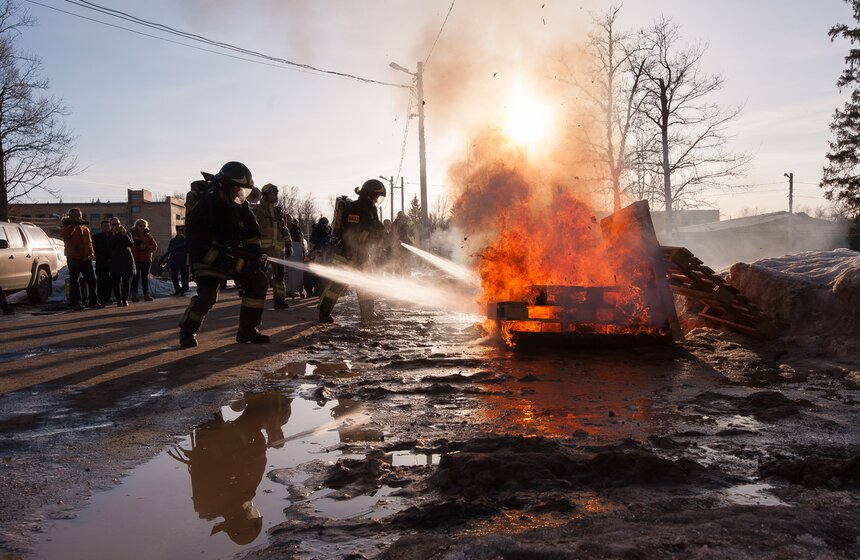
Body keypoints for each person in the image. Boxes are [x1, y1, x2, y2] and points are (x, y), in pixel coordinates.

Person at [178, 161, 270, 348]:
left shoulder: (240, 206)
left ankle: (247, 329)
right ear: (226, 186)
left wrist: (253, 252)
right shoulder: (205, 206)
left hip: (232, 254)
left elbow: (252, 232)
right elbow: (198, 245)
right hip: (207, 256)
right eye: (238, 190)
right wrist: (226, 260)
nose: (240, 195)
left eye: (243, 191)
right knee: (207, 297)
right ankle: (187, 330)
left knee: (258, 281)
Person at [317, 179, 387, 323]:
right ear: (369, 195)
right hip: (346, 254)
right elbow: (351, 233)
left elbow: (377, 227)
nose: (377, 200)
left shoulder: (372, 210)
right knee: (337, 285)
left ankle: (368, 313)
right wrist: (368, 237)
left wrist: (386, 236)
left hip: (363, 254)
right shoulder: (353, 208)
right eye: (376, 196)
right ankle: (324, 313)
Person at [251, 183, 292, 309]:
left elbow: (285, 230)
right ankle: (256, 301)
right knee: (260, 277)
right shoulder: (258, 210)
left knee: (279, 277)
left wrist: (289, 244)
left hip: (278, 251)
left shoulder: (278, 211)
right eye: (272, 193)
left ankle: (279, 301)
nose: (275, 196)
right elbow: (251, 229)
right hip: (263, 250)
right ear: (264, 195)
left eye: (276, 194)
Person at [60, 208, 103, 310]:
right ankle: (76, 303)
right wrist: (74, 225)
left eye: (79, 215)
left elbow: (89, 243)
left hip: (86, 258)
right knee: (75, 281)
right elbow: (64, 235)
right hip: (73, 258)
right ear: (70, 216)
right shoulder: (66, 227)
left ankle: (93, 301)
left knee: (92, 280)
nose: (78, 217)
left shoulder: (85, 228)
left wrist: (91, 254)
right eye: (76, 216)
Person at [108, 218, 135, 307]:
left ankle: (124, 299)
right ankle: (118, 300)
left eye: (117, 224)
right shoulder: (109, 234)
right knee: (116, 281)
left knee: (126, 281)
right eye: (114, 224)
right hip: (115, 260)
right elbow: (109, 246)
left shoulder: (126, 232)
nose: (116, 226)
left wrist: (124, 235)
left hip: (126, 259)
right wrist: (114, 235)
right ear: (111, 225)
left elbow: (131, 244)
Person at [130, 219, 158, 302]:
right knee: (135, 277)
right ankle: (134, 295)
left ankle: (146, 294)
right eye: (140, 225)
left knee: (145, 278)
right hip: (136, 260)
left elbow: (154, 247)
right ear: (136, 226)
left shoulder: (148, 236)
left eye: (144, 226)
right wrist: (138, 248)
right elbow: (129, 247)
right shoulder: (131, 235)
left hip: (146, 260)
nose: (142, 227)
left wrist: (146, 247)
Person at [91, 220, 113, 304]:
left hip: (111, 262)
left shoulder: (113, 236)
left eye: (108, 226)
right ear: (101, 227)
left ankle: (107, 298)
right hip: (101, 262)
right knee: (101, 281)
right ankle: (101, 298)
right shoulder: (96, 237)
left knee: (109, 281)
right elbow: (93, 249)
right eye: (105, 226)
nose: (107, 227)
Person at [167, 225, 189, 296]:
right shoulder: (173, 240)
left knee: (184, 277)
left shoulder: (186, 240)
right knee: (174, 277)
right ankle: (177, 289)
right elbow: (169, 250)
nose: (180, 232)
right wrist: (168, 259)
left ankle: (183, 290)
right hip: (174, 260)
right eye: (179, 230)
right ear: (177, 231)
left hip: (184, 260)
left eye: (181, 231)